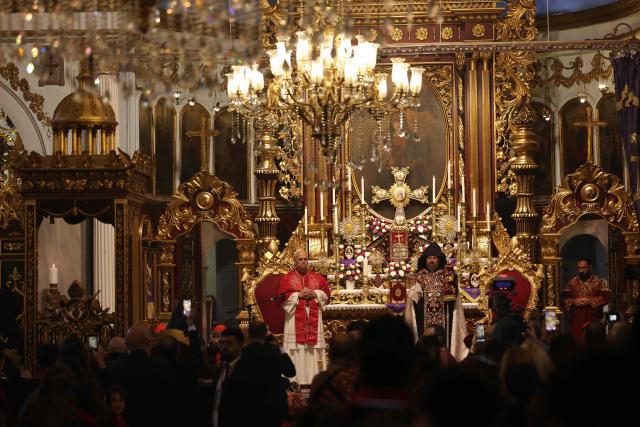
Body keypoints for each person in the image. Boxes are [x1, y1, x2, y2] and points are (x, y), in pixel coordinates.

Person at [277, 249, 331, 385]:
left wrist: (316, 294)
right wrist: (297, 295)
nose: (303, 261)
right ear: (294, 262)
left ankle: (314, 379)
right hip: (295, 320)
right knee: (296, 349)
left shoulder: (317, 278)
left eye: (305, 259)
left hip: (313, 319)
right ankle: (295, 380)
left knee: (313, 349)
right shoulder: (287, 278)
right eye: (300, 259)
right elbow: (281, 298)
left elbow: (327, 294)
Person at [405, 242, 455, 339]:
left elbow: (452, 297)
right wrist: (415, 289)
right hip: (423, 319)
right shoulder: (420, 276)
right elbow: (414, 300)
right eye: (429, 258)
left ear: (439, 260)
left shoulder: (446, 276)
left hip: (443, 318)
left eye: (434, 258)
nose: (432, 260)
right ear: (425, 260)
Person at [562, 258, 610, 345]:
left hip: (593, 318)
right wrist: (573, 301)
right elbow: (564, 299)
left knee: (594, 342)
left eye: (584, 268)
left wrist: (590, 300)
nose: (581, 270)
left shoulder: (598, 282)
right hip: (577, 319)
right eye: (579, 268)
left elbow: (606, 297)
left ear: (590, 268)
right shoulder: (571, 283)